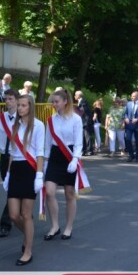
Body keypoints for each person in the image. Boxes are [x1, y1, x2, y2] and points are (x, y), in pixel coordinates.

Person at [2, 94, 44, 266]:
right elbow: (12, 152)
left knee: (26, 214)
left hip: (30, 169)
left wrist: (39, 176)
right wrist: (9, 174)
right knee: (13, 215)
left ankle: (28, 250)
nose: (20, 108)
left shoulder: (39, 126)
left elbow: (40, 152)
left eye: (24, 105)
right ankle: (29, 236)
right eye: (19, 105)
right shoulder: (15, 125)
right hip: (17, 169)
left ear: (30, 107)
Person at [44, 89, 83, 243]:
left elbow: (79, 142)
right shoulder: (51, 120)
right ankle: (54, 226)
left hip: (69, 155)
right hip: (54, 156)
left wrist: (75, 160)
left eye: (56, 102)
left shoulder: (76, 119)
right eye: (53, 102)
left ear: (65, 102)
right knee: (49, 192)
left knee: (69, 194)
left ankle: (68, 226)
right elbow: (47, 143)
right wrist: (45, 163)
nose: (54, 104)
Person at [0, 89, 20, 238]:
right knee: (12, 190)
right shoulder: (0, 118)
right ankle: (20, 214)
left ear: (17, 100)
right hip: (4, 157)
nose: (7, 101)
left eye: (10, 99)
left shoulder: (22, 119)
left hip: (18, 158)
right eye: (6, 99)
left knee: (12, 190)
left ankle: (5, 223)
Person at [124, 92, 138, 163]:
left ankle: (137, 156)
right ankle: (131, 155)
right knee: (127, 139)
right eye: (131, 96)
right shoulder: (128, 104)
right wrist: (126, 118)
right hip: (129, 124)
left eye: (133, 96)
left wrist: (137, 119)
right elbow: (125, 113)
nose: (132, 97)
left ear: (137, 96)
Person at [74, 91, 94, 156]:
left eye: (75, 95)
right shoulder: (80, 101)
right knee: (83, 136)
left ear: (79, 95)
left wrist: (75, 109)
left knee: (87, 136)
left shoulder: (83, 101)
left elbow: (82, 110)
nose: (74, 96)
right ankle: (84, 150)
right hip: (83, 121)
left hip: (86, 121)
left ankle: (90, 150)